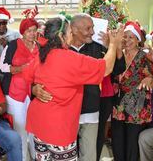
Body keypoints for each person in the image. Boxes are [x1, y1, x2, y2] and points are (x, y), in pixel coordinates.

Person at [22, 17, 123, 160]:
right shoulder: (69, 58)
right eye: (69, 31)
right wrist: (113, 44)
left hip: (39, 124)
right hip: (58, 129)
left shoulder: (42, 54)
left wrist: (34, 89)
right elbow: (106, 68)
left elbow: (27, 76)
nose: (71, 35)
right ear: (60, 36)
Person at [111, 21, 153, 161]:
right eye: (125, 36)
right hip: (118, 104)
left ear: (138, 40)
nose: (127, 40)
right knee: (117, 140)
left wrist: (150, 80)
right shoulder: (117, 54)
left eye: (131, 37)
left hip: (137, 106)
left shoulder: (144, 57)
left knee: (132, 142)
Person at [0, 17, 39, 161]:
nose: (32, 34)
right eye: (29, 31)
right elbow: (2, 66)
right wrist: (20, 68)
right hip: (16, 93)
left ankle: (36, 156)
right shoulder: (13, 45)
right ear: (23, 32)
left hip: (35, 93)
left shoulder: (39, 47)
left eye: (34, 31)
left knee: (35, 129)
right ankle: (22, 158)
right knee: (20, 129)